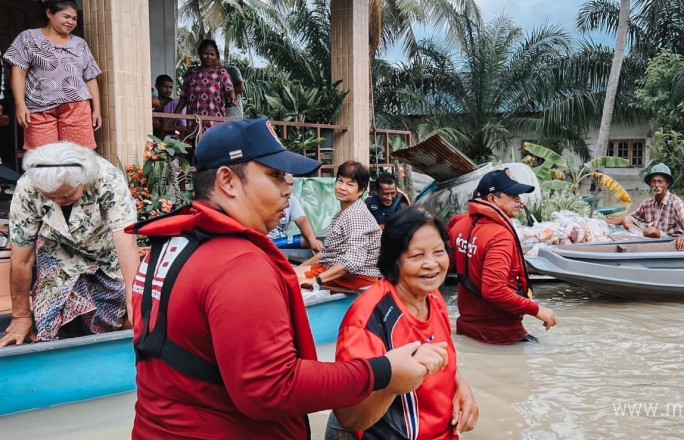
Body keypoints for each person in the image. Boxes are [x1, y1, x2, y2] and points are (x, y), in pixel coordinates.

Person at [128, 118, 443, 439]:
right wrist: (383, 372)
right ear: (228, 181)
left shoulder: (169, 244)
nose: (288, 187)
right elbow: (273, 388)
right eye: (275, 175)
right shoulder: (238, 263)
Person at [327, 207, 479, 439]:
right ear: (394, 260)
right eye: (417, 256)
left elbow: (445, 358)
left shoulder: (433, 296)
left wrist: (463, 387)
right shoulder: (368, 321)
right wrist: (393, 382)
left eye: (439, 252)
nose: (432, 264)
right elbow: (350, 418)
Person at [0, 142, 139, 347]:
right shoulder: (27, 188)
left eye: (66, 196)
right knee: (49, 315)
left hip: (106, 251)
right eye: (50, 197)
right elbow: (23, 257)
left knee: (115, 315)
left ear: (84, 181)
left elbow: (126, 243)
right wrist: (21, 316)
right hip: (58, 249)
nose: (57, 201)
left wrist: (135, 306)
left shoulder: (107, 179)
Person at [448, 169, 558, 345]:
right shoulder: (499, 236)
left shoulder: (459, 224)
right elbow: (494, 290)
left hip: (467, 329)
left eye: (519, 195)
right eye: (512, 194)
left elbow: (444, 268)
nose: (519, 200)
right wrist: (538, 310)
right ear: (492, 199)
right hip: (501, 335)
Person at [3, 0, 102, 150]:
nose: (71, 22)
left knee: (78, 158)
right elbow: (19, 72)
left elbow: (90, 78)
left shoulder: (80, 44)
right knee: (42, 160)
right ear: (49, 13)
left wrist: (97, 110)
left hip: (77, 108)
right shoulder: (28, 37)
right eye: (66, 17)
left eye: (74, 19)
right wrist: (20, 104)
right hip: (39, 110)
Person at [297, 161, 381, 290]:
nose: (342, 187)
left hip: (354, 280)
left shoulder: (356, 215)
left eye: (350, 184)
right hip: (332, 271)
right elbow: (327, 253)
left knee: (288, 280)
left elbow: (352, 262)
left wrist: (316, 280)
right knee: (287, 273)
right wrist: (299, 269)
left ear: (361, 191)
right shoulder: (345, 211)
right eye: (340, 181)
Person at [607, 163, 684, 251]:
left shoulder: (675, 202)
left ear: (667, 184)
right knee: (626, 220)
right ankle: (642, 238)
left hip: (668, 237)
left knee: (651, 231)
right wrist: (600, 222)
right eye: (653, 181)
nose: (656, 185)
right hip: (646, 234)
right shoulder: (647, 203)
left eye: (660, 181)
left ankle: (642, 237)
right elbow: (628, 219)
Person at [174, 39, 234, 132]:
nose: (208, 57)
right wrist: (175, 115)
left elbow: (230, 91)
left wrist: (231, 95)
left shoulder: (221, 73)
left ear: (216, 56)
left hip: (214, 125)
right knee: (194, 145)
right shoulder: (191, 73)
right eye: (205, 53)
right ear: (200, 54)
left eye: (212, 54)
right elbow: (184, 97)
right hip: (194, 123)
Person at [268, 178, 324, 254]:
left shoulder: (292, 200)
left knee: (308, 239)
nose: (290, 189)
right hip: (262, 243)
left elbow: (302, 221)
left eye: (291, 185)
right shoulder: (265, 198)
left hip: (280, 241)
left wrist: (313, 241)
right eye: (287, 184)